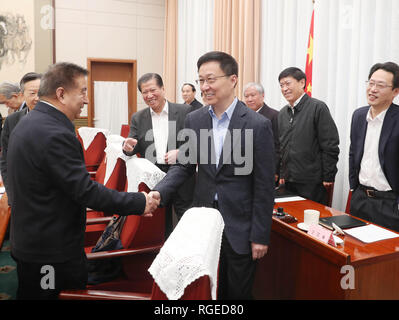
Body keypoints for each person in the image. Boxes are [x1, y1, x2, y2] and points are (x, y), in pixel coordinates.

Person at [7, 62, 159, 300]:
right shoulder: (54, 133)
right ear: (61, 93)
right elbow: (86, 192)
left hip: (33, 241)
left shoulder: (30, 122)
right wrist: (139, 201)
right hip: (50, 253)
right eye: (83, 92)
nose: (86, 100)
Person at [150, 51, 275, 299]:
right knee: (207, 290)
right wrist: (159, 191)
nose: (205, 87)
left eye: (210, 79)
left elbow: (264, 186)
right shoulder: (194, 120)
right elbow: (184, 165)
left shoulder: (257, 124)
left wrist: (260, 235)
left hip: (240, 226)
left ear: (232, 80)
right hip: (204, 222)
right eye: (201, 81)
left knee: (238, 292)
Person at [122, 73, 194, 238]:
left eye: (153, 90)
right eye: (144, 92)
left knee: (186, 218)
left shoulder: (184, 111)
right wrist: (126, 148)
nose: (149, 95)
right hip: (156, 175)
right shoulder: (138, 118)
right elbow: (132, 144)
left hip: (182, 172)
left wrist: (181, 152)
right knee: (160, 222)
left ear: (162, 88)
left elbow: (194, 141)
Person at [278, 67, 339, 205]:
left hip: (312, 181)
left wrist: (328, 176)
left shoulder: (318, 107)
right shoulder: (282, 113)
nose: (284, 88)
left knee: (311, 222)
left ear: (302, 83)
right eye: (281, 85)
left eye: (288, 83)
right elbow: (281, 146)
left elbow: (330, 144)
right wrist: (282, 173)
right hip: (289, 181)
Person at [349, 62, 399, 232]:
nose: (373, 89)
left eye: (380, 85)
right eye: (371, 83)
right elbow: (353, 153)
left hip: (389, 204)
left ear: (395, 92)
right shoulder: (358, 115)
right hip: (361, 199)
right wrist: (353, 188)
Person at [1, 72, 42, 194]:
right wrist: (11, 192)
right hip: (20, 194)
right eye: (32, 93)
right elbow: (5, 160)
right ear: (22, 95)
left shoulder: (62, 120)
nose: (37, 97)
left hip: (52, 197)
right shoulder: (12, 121)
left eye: (41, 93)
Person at [243, 82, 280, 183]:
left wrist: (275, 170)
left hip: (265, 169)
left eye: (253, 95)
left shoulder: (274, 115)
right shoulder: (242, 116)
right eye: (246, 96)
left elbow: (277, 146)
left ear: (262, 96)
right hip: (244, 170)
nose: (249, 99)